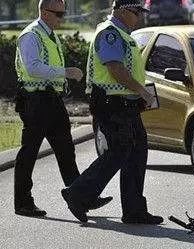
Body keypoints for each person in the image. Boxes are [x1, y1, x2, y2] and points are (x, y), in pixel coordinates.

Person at [61, 0, 163, 224]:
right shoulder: (110, 33)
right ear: (123, 10)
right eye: (137, 12)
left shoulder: (122, 33)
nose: (140, 17)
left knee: (136, 153)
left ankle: (134, 209)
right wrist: (142, 92)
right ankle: (77, 194)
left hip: (125, 104)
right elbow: (115, 69)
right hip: (111, 104)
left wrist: (139, 96)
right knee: (118, 152)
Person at [14, 0, 112, 217]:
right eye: (58, 14)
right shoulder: (31, 35)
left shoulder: (49, 34)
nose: (62, 18)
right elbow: (32, 67)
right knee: (29, 152)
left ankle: (79, 196)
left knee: (66, 150)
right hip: (35, 100)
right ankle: (23, 202)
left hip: (51, 100)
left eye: (63, 13)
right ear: (44, 12)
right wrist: (65, 72)